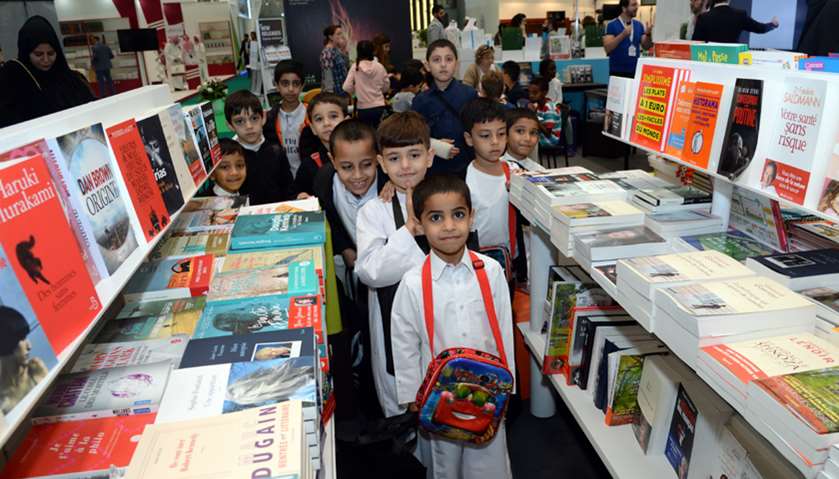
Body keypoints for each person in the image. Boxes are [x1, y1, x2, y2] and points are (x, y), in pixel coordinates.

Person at [390, 174, 514, 479]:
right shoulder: (413, 282)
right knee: (445, 464)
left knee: (489, 458)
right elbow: (404, 343)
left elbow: (504, 331)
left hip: (487, 391)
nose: (448, 226)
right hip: (438, 396)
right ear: (418, 224)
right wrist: (411, 399)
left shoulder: (492, 271)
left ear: (471, 218)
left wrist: (508, 388)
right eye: (436, 217)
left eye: (458, 215)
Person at [355, 111, 434, 418]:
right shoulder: (373, 211)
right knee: (405, 407)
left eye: (414, 155)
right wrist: (409, 232)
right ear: (381, 162)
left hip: (442, 319)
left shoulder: (446, 199)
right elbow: (369, 271)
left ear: (429, 156)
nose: (405, 166)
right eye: (394, 158)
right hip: (393, 319)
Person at [313, 118, 389, 428]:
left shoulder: (390, 184)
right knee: (356, 326)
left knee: (383, 340)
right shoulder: (323, 181)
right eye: (347, 167)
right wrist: (346, 249)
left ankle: (381, 403)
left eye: (366, 165)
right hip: (351, 269)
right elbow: (329, 213)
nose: (357, 176)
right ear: (332, 161)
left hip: (387, 275)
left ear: (379, 160)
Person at [0, 15, 95, 128]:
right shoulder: (13, 79)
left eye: (51, 53)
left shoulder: (70, 79)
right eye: (38, 54)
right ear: (26, 52)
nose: (46, 60)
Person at [412, 39, 478, 176]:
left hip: (466, 167)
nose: (443, 65)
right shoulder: (420, 101)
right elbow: (414, 136)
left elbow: (479, 130)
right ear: (427, 66)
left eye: (449, 59)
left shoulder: (469, 94)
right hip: (433, 169)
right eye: (436, 60)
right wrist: (434, 144)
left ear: (457, 64)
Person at [224, 90, 295, 204]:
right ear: (230, 125)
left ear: (264, 118)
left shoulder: (277, 151)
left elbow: (288, 188)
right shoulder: (230, 156)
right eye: (240, 121)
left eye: (254, 118)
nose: (249, 126)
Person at [462, 98, 513, 256]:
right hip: (476, 258)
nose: (495, 142)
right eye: (485, 135)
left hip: (510, 258)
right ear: (469, 139)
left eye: (501, 134)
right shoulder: (462, 180)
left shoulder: (515, 173)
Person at [295, 92, 349, 196]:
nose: (326, 123)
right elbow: (296, 192)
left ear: (346, 121)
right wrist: (301, 197)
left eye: (333, 116)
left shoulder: (362, 155)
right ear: (313, 128)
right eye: (319, 119)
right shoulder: (308, 166)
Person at [0, 306, 49, 416]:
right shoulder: (2, 398)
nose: (29, 346)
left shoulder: (35, 368)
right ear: (6, 343)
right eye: (22, 339)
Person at [264, 60, 307, 179]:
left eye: (296, 83)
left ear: (302, 85)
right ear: (277, 85)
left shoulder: (311, 115)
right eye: (285, 83)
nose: (291, 89)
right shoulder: (269, 118)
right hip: (281, 179)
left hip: (307, 178)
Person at [343, 40, 390, 128]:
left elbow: (346, 87)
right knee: (379, 132)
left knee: (366, 134)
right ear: (373, 51)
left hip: (363, 108)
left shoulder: (355, 67)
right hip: (379, 106)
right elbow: (386, 86)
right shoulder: (379, 66)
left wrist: (356, 91)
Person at [604, 0, 653, 78]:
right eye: (633, 5)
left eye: (637, 5)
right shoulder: (611, 25)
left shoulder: (639, 25)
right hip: (617, 71)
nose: (636, 7)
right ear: (624, 8)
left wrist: (648, 34)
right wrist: (623, 34)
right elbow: (608, 48)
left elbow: (646, 46)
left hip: (635, 70)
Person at [693, 0, 779, 43]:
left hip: (709, 62)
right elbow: (760, 28)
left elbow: (695, 42)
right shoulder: (740, 15)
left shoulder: (703, 17)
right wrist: (773, 24)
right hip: (732, 61)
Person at [320, 25, 350, 96]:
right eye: (338, 34)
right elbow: (328, 76)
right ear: (330, 37)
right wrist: (330, 95)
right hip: (334, 94)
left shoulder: (337, 50)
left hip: (342, 91)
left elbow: (346, 67)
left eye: (341, 33)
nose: (341, 36)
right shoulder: (327, 52)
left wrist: (344, 49)